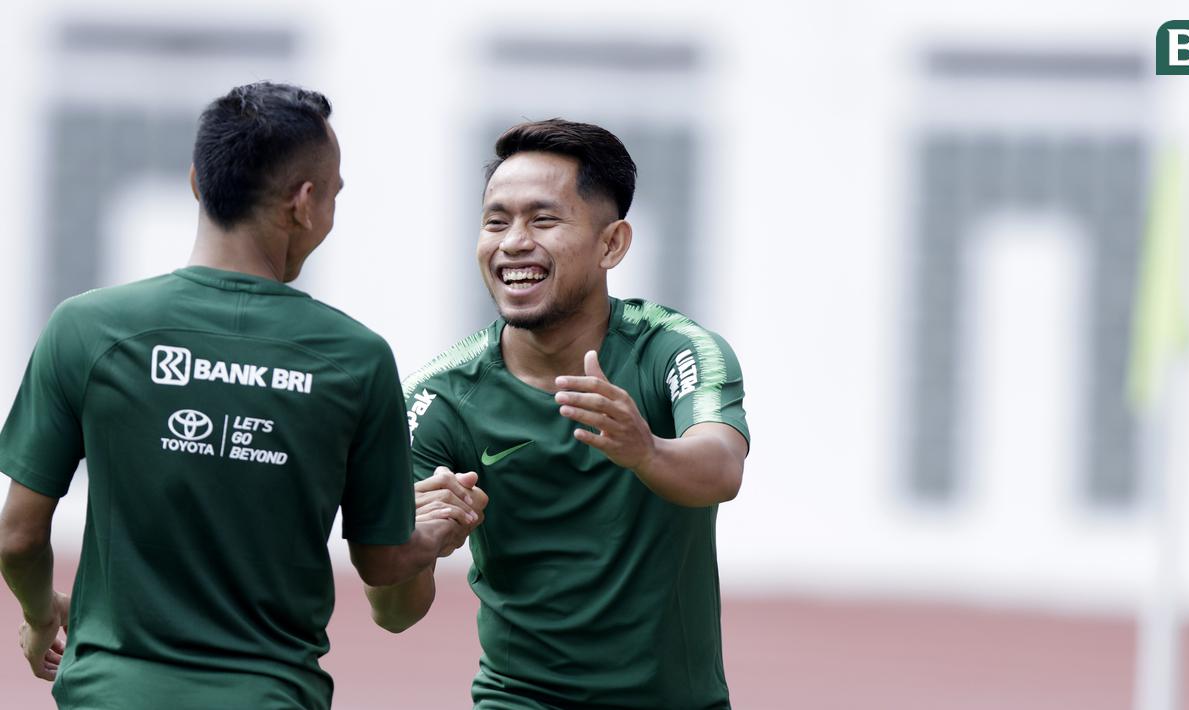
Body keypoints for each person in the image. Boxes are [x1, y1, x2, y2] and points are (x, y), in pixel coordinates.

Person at [0, 82, 478, 709]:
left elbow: (17, 538)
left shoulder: (88, 329)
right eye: (334, 195)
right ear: (304, 203)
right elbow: (387, 576)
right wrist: (433, 536)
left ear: (198, 183)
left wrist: (40, 615)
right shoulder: (355, 359)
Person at [401, 119, 750, 709]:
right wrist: (415, 546)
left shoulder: (675, 350)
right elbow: (393, 613)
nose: (513, 242)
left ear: (611, 243)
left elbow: (721, 470)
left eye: (543, 220)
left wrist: (646, 450)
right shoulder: (436, 399)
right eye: (496, 220)